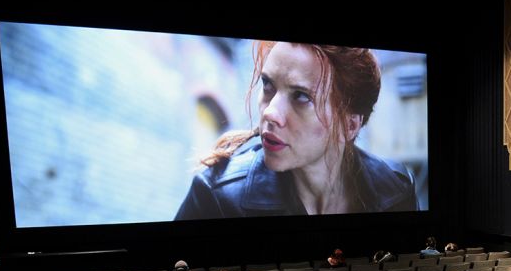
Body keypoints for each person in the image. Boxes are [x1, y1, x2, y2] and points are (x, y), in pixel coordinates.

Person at [175, 42, 417, 219]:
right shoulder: (218, 195)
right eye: (268, 85)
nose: (270, 112)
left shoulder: (395, 188)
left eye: (301, 96)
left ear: (350, 125)